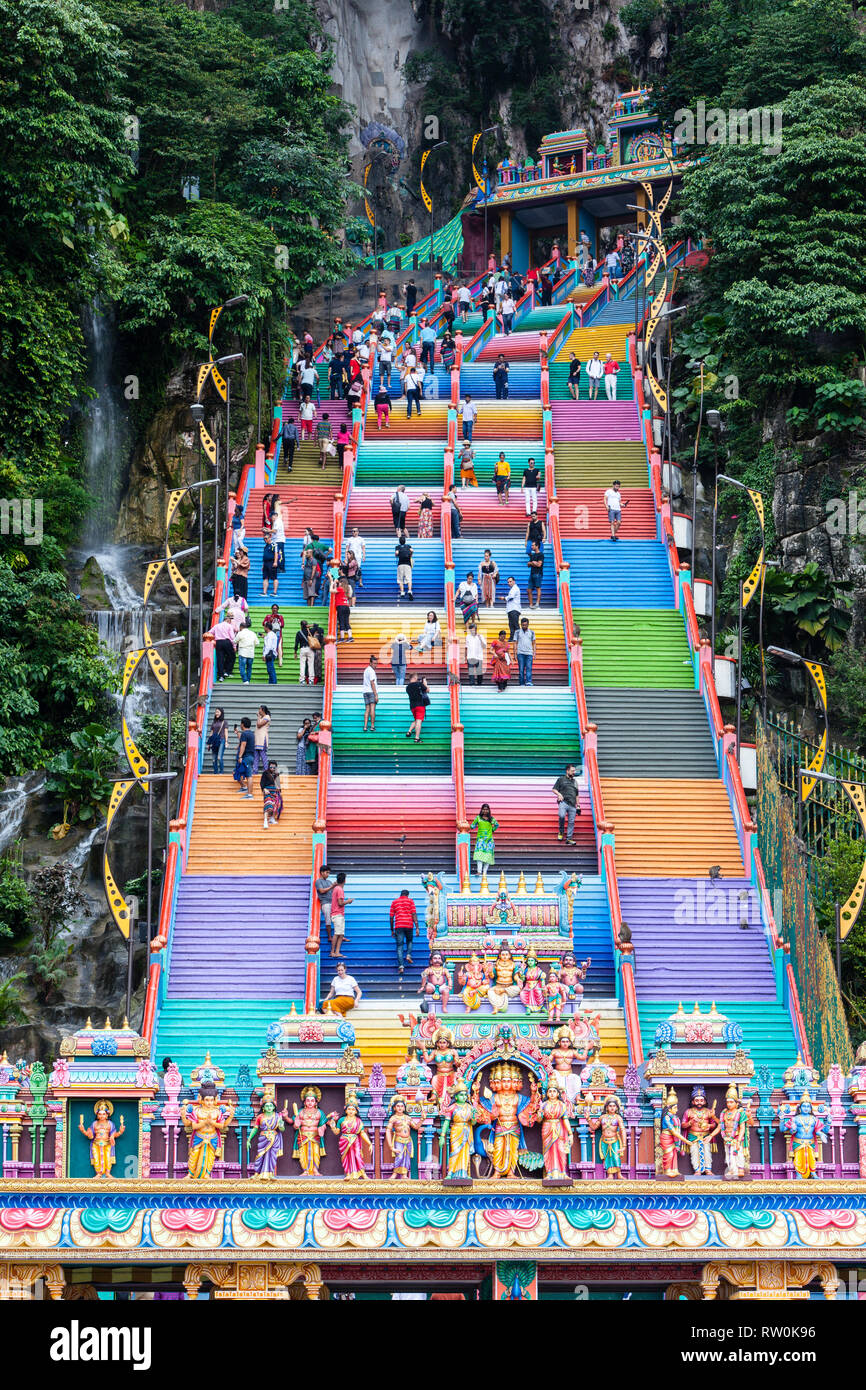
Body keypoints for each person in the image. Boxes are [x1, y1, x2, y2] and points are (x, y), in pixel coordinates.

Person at [389, 888, 418, 975]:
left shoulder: (395, 902)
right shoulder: (410, 901)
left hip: (399, 926)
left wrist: (392, 930)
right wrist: (417, 927)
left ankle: (401, 966)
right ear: (407, 895)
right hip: (409, 925)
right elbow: (414, 914)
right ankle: (409, 955)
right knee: (409, 941)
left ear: (400, 894)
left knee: (399, 946)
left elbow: (391, 917)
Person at [553, 763, 582, 844]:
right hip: (563, 802)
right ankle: (561, 832)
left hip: (573, 804)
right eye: (572, 771)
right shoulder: (561, 779)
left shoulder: (575, 782)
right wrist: (559, 794)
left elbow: (577, 795)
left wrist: (578, 805)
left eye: (574, 771)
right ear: (567, 771)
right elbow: (554, 789)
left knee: (571, 822)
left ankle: (569, 838)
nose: (574, 772)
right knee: (561, 815)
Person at [206, 616, 238, 682]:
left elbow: (209, 633)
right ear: (228, 621)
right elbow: (232, 637)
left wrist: (213, 639)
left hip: (218, 642)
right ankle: (227, 672)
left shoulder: (216, 626)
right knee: (232, 656)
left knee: (220, 659)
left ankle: (221, 676)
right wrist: (234, 646)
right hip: (227, 642)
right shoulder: (229, 626)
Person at [471, 802, 498, 876]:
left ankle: (485, 872)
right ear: (481, 810)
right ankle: (479, 871)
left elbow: (496, 825)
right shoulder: (478, 818)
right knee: (479, 856)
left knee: (487, 857)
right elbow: (472, 826)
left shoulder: (491, 819)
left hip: (489, 841)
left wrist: (492, 830)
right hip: (480, 841)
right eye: (484, 809)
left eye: (486, 809)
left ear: (489, 810)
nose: (485, 811)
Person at [329, 871, 352, 957]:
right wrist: (348, 901)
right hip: (337, 914)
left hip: (338, 914)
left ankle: (337, 952)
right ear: (344, 880)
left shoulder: (336, 888)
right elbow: (340, 903)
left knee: (341, 934)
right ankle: (332, 952)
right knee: (337, 933)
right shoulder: (339, 889)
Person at [235, 717, 255, 798]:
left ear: (242, 724)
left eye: (241, 723)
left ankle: (250, 794)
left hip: (246, 757)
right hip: (250, 757)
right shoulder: (251, 733)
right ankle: (244, 787)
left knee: (249, 776)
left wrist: (240, 756)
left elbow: (243, 745)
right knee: (236, 772)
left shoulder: (244, 734)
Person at [405, 673, 429, 743]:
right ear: (415, 678)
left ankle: (409, 731)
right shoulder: (419, 684)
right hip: (420, 705)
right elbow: (427, 690)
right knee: (419, 721)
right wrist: (424, 682)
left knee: (416, 720)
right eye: (417, 678)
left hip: (412, 706)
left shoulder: (407, 687)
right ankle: (417, 738)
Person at [315, 864, 334, 944]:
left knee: (336, 920)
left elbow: (333, 892)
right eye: (327, 872)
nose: (328, 874)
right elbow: (321, 891)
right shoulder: (318, 881)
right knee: (328, 920)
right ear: (322, 872)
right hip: (325, 903)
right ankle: (330, 937)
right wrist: (331, 887)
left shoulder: (329, 881)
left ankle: (338, 936)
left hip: (332, 903)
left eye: (329, 873)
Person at [260, 760, 282, 829]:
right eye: (271, 767)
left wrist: (279, 789)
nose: (272, 768)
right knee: (268, 804)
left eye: (274, 767)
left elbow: (278, 784)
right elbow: (262, 782)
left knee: (276, 804)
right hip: (268, 791)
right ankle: (265, 821)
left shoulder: (276, 774)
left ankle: (272, 818)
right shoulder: (265, 773)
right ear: (269, 766)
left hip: (275, 791)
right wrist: (264, 789)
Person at [515, 615, 536, 686]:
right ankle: (521, 683)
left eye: (525, 625)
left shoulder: (532, 632)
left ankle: (528, 681)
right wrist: (515, 654)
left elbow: (534, 643)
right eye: (523, 625)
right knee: (521, 669)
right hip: (520, 653)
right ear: (521, 624)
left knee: (529, 668)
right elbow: (515, 643)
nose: (524, 626)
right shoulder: (517, 632)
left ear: (528, 624)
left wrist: (534, 653)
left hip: (529, 653)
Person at [237, 620, 259, 684]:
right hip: (251, 653)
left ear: (241, 627)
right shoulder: (253, 633)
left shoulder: (240, 633)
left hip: (242, 652)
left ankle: (245, 680)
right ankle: (248, 680)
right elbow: (257, 643)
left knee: (242, 667)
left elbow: (235, 641)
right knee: (249, 668)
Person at [294, 620, 315, 684]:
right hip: (310, 649)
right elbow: (317, 626)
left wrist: (295, 652)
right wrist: (311, 625)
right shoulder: (310, 631)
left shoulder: (299, 633)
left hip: (302, 649)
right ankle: (311, 679)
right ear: (306, 625)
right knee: (310, 664)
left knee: (302, 665)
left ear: (300, 625)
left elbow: (296, 643)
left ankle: (302, 679)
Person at [251, 704, 271, 774]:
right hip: (257, 739)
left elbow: (259, 725)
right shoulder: (262, 717)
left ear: (262, 710)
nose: (258, 710)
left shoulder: (267, 717)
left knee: (263, 755)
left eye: (259, 709)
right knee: (256, 755)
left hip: (262, 739)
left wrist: (258, 717)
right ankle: (255, 771)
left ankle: (266, 770)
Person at [208, 707, 227, 774]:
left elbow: (226, 732)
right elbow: (211, 732)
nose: (216, 713)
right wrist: (209, 743)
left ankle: (221, 772)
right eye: (216, 712)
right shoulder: (214, 722)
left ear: (221, 713)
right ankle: (215, 772)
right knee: (213, 759)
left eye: (218, 712)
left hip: (221, 740)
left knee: (219, 757)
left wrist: (226, 741)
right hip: (214, 742)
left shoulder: (224, 722)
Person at [395, 533, 414, 600]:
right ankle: (409, 590)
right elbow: (412, 551)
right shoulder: (408, 546)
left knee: (400, 579)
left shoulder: (398, 547)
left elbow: (396, 553)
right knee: (409, 578)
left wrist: (397, 554)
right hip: (407, 564)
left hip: (400, 564)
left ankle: (402, 592)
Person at [363, 654, 379, 731]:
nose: (376, 665)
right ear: (370, 663)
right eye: (374, 663)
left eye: (376, 663)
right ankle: (372, 726)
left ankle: (365, 727)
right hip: (371, 691)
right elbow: (372, 683)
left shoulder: (366, 670)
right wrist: (376, 695)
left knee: (367, 709)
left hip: (365, 691)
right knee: (372, 709)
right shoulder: (371, 671)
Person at [504, 574, 522, 638]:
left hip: (514, 609)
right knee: (511, 625)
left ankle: (519, 638)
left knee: (515, 624)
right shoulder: (513, 589)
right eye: (508, 582)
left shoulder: (515, 588)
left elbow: (511, 596)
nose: (509, 583)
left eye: (510, 581)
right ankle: (512, 638)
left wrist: (504, 598)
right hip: (511, 609)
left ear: (514, 581)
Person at [527, 540, 544, 608]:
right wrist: (533, 563)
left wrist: (534, 563)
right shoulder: (532, 555)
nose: (531, 547)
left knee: (538, 588)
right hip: (532, 573)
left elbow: (539, 564)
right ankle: (531, 605)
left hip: (538, 573)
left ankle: (537, 604)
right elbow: (528, 564)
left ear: (537, 546)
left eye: (533, 545)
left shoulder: (541, 554)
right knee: (529, 589)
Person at [261, 531, 278, 599]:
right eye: (264, 539)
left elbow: (276, 553)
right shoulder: (265, 546)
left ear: (269, 538)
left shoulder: (274, 545)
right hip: (265, 563)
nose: (265, 540)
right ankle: (264, 592)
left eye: (266, 538)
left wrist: (275, 562)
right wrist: (263, 564)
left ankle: (274, 592)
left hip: (271, 562)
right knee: (265, 577)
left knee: (274, 577)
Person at [262, 619, 279, 685]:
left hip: (269, 654)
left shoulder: (269, 635)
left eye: (264, 627)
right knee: (270, 669)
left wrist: (264, 655)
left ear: (267, 627)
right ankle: (271, 683)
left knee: (270, 669)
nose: (264, 628)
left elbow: (268, 646)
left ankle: (273, 683)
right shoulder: (271, 634)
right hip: (272, 653)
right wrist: (264, 637)